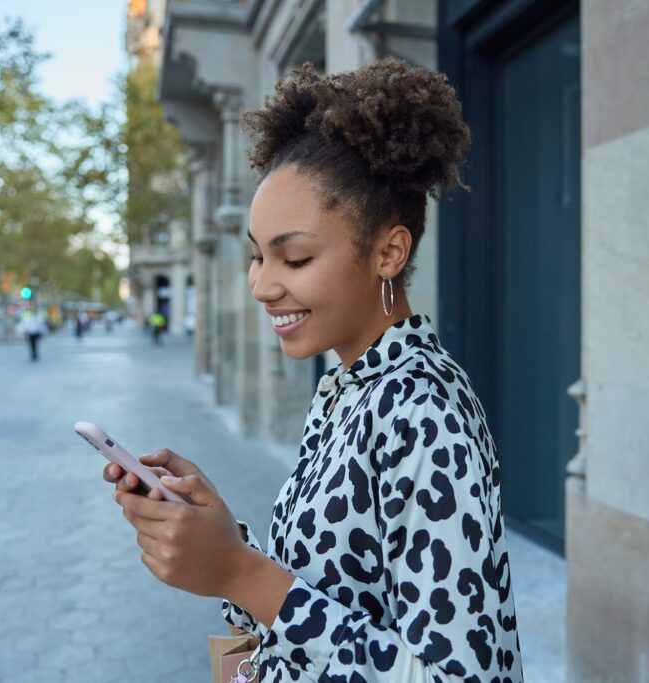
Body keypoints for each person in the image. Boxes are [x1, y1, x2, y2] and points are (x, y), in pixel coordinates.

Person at [103, 58, 522, 681]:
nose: (263, 286)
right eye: (255, 256)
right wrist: (220, 540)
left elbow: (460, 676)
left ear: (389, 251)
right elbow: (338, 593)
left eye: (293, 258)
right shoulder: (350, 385)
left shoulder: (420, 411)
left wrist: (240, 572)